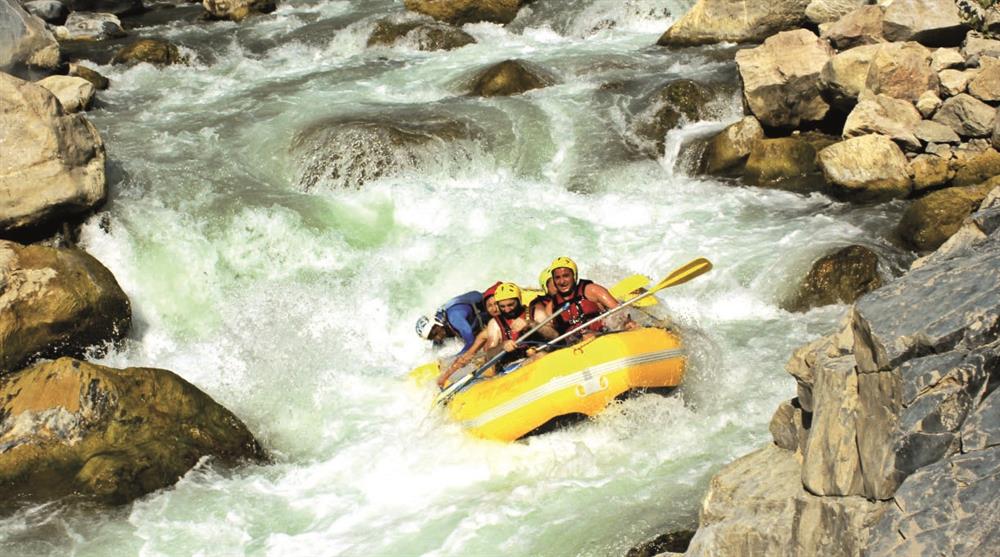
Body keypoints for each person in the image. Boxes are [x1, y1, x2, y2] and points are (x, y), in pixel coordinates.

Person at [547, 256, 636, 338]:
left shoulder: (592, 290)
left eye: (566, 276)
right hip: (573, 346)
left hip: (602, 336)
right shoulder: (551, 307)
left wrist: (627, 322)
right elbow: (553, 334)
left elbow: (619, 310)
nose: (562, 281)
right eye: (557, 278)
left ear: (574, 276)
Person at [415, 289, 489, 356]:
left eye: (435, 334)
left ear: (436, 323)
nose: (438, 338)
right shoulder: (440, 328)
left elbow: (471, 341)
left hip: (492, 310)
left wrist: (453, 360)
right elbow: (434, 353)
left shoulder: (454, 317)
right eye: (432, 338)